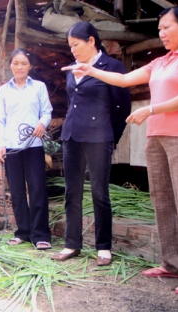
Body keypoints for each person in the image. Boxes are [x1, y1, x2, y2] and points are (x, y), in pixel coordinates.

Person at [62, 7, 178, 296]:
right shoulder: (160, 62)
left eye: (166, 28)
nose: (161, 33)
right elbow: (123, 80)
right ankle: (171, 263)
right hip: (155, 136)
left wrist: (149, 109)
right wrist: (90, 69)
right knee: (161, 200)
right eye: (159, 29)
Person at [50, 21, 131, 266]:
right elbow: (72, 102)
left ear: (92, 41)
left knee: (99, 192)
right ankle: (72, 243)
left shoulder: (113, 67)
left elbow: (122, 107)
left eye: (76, 44)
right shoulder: (71, 68)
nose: (72, 50)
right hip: (72, 135)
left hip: (99, 137)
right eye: (70, 45)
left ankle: (103, 247)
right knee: (72, 192)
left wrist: (110, 137)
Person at [0, 48, 53, 250]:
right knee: (17, 192)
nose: (19, 67)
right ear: (10, 65)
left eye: (24, 63)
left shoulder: (39, 87)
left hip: (33, 146)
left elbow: (47, 111)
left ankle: (40, 235)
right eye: (16, 63)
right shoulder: (3, 90)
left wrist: (42, 123)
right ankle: (23, 233)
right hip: (11, 147)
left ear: (30, 66)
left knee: (37, 189)